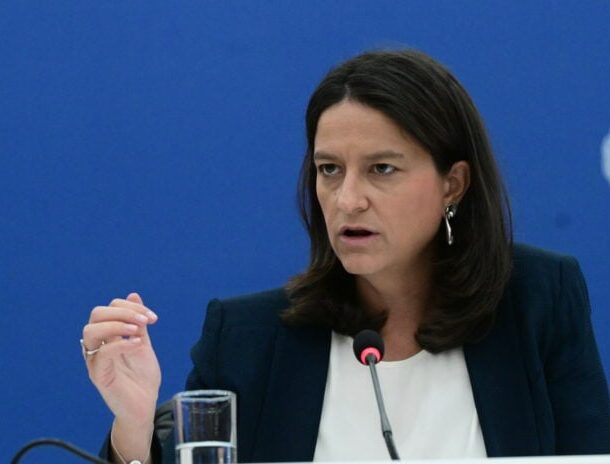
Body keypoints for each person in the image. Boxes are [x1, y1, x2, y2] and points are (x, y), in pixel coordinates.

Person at [81, 49, 610, 463]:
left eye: (382, 169)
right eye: (330, 169)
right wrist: (134, 427)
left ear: (453, 183)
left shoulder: (537, 302)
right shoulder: (248, 339)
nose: (348, 199)